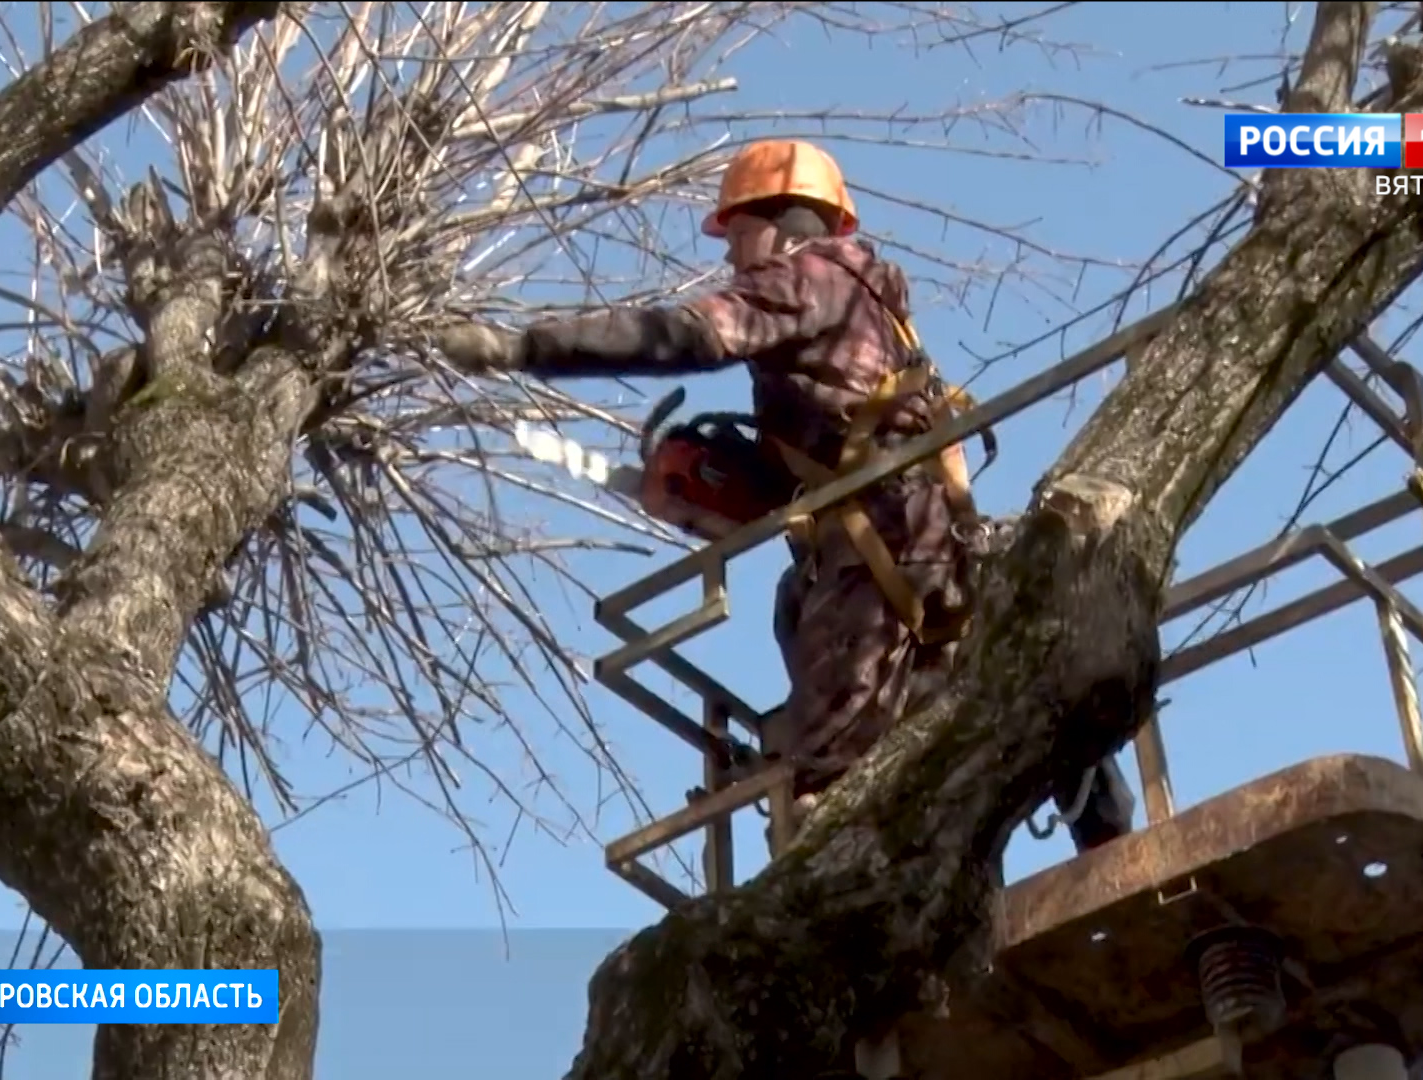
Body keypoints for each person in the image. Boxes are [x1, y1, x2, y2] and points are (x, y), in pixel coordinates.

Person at [432, 139, 1132, 854]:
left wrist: (526, 349)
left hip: (879, 555)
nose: (733, 260)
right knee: (906, 689)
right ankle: (1087, 820)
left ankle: (834, 913)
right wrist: (715, 479)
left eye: (736, 235)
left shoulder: (806, 281)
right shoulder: (870, 307)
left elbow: (689, 335)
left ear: (780, 224)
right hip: (911, 548)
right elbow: (829, 447)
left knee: (824, 799)